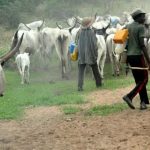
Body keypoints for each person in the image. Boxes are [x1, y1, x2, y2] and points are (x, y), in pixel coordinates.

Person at [123, 9, 150, 110]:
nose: (144, 18)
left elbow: (125, 43)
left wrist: (125, 60)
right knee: (144, 79)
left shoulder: (128, 26)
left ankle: (143, 103)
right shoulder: (140, 27)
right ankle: (129, 96)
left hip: (130, 56)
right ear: (138, 17)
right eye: (143, 16)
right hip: (138, 56)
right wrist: (149, 61)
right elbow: (142, 45)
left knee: (139, 80)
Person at [76, 17, 102, 91]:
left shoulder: (79, 31)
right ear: (88, 24)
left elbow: (76, 42)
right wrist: (95, 53)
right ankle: (98, 84)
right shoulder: (91, 32)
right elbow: (94, 44)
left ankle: (80, 86)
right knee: (95, 69)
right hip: (90, 54)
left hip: (81, 55)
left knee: (81, 71)